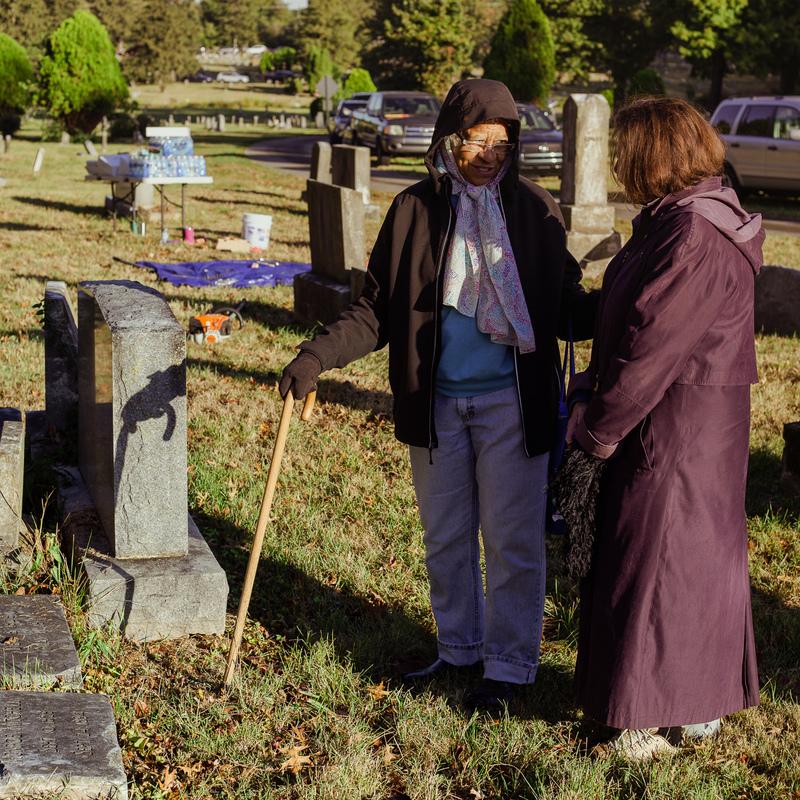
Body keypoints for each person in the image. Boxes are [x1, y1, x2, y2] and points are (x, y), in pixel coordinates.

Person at [280, 79, 597, 715]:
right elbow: (376, 310)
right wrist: (315, 357)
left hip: (513, 403)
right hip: (436, 404)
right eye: (476, 140)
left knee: (512, 541)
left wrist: (628, 303)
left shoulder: (536, 213)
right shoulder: (413, 211)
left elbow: (566, 307)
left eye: (501, 143)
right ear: (449, 140)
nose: (488, 154)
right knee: (446, 536)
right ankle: (459, 650)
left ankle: (509, 668)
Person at [567, 97, 762, 758]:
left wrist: (595, 434)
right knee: (685, 568)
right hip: (689, 427)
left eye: (625, 153)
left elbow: (649, 351)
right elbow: (635, 313)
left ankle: (641, 724)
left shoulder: (693, 236)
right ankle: (696, 707)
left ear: (654, 158)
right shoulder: (677, 221)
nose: (618, 164)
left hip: (675, 431)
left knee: (657, 570)